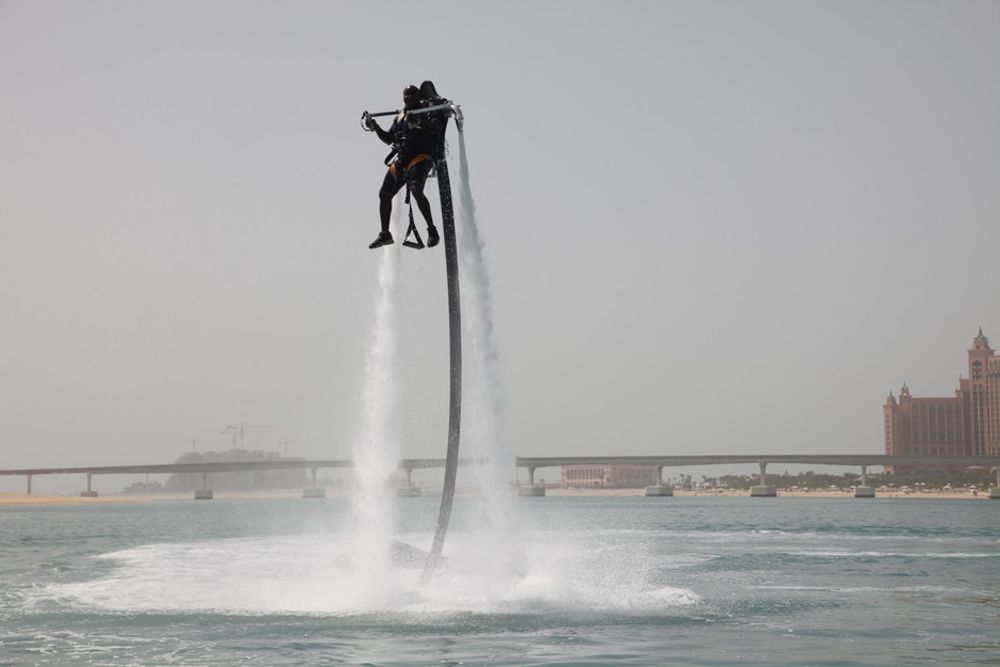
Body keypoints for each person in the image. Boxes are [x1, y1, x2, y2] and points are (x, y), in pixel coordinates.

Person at [365, 85, 441, 249]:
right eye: (406, 95)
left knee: (415, 189)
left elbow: (437, 128)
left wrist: (419, 122)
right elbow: (389, 139)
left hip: (421, 158)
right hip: (402, 160)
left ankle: (432, 230)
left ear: (418, 96)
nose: (408, 98)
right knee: (384, 194)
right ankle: (385, 234)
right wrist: (376, 128)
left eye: (412, 95)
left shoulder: (426, 111)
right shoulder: (400, 116)